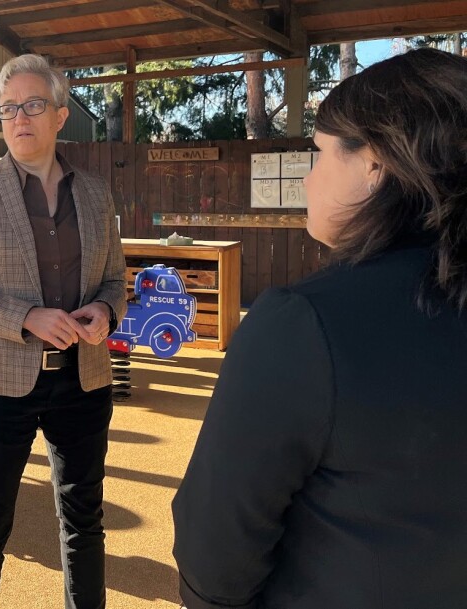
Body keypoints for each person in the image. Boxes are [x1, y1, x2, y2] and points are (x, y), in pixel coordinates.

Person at [172, 47, 467, 608]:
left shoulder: (303, 324)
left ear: (375, 162)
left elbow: (214, 552)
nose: (307, 180)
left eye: (320, 154)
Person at [0, 54, 127, 609]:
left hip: (83, 380)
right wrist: (25, 318)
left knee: (84, 522)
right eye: (8, 108)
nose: (19, 117)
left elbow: (116, 279)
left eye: (33, 105)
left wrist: (105, 313)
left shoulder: (94, 193)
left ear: (61, 115)